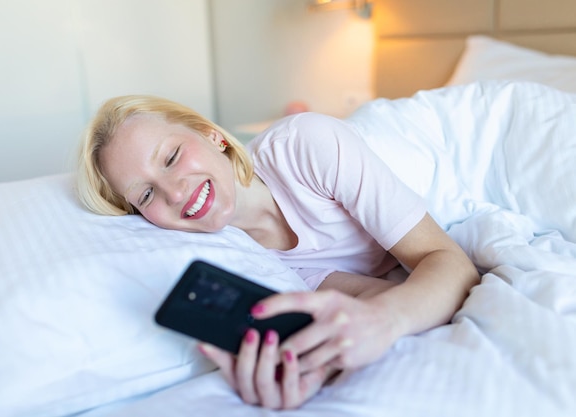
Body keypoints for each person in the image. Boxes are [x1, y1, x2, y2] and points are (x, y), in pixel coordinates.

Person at [76, 95, 480, 410]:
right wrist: (313, 371)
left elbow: (449, 263)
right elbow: (376, 300)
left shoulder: (306, 145)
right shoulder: (249, 265)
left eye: (171, 156)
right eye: (146, 194)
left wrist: (386, 319)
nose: (175, 191)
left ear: (212, 135)